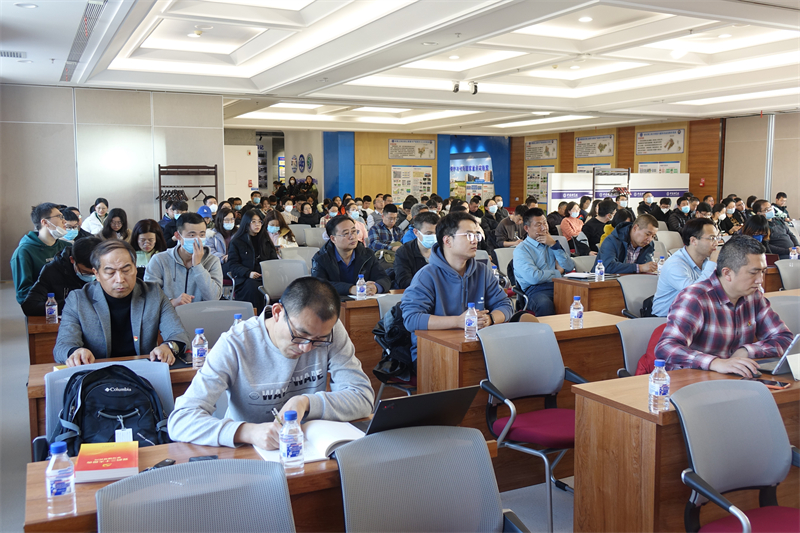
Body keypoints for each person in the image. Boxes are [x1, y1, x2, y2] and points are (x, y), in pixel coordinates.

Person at [167, 276, 373, 448]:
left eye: (318, 340)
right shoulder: (235, 343)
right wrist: (247, 432)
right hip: (250, 453)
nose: (307, 348)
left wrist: (305, 402)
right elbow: (181, 420)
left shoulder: (329, 332)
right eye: (300, 335)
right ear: (277, 312)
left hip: (307, 447)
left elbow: (363, 397)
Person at [655, 235, 793, 376]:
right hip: (695, 379)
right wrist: (715, 363)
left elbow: (785, 339)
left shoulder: (754, 296)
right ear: (727, 273)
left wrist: (747, 351)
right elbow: (666, 348)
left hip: (736, 377)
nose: (760, 280)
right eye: (753, 273)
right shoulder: (695, 298)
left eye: (763, 271)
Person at [53, 240, 190, 367]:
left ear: (135, 268)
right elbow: (62, 346)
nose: (120, 279)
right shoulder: (78, 300)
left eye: (126, 270)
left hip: (143, 372)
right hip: (98, 374)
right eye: (110, 272)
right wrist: (75, 352)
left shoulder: (153, 294)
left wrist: (168, 347)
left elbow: (178, 334)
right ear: (97, 274)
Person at [401, 212, 513, 360]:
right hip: (434, 352)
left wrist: (490, 319)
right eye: (468, 235)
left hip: (477, 346)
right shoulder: (427, 275)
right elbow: (411, 319)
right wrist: (458, 321)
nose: (475, 241)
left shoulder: (482, 271)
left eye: (476, 235)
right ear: (448, 241)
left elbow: (506, 305)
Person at [144, 212, 222, 307]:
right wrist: (172, 302)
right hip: (169, 314)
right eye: (192, 235)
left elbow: (214, 298)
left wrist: (198, 266)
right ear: (178, 236)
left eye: (202, 235)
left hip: (201, 314)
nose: (197, 240)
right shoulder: (159, 260)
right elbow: (150, 296)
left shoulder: (212, 261)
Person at [513, 208, 575, 316]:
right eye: (538, 225)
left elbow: (569, 267)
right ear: (527, 228)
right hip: (535, 290)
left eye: (545, 223)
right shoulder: (522, 250)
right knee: (545, 304)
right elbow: (534, 278)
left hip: (559, 285)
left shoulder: (551, 243)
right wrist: (558, 272)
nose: (544, 228)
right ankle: (547, 328)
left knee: (581, 299)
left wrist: (554, 245)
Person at [652, 219, 719, 317]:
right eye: (712, 238)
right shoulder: (675, 264)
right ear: (693, 241)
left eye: (717, 238)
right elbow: (694, 293)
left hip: (693, 315)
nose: (716, 243)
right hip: (666, 319)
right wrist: (712, 263)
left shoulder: (706, 261)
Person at [22, 236, 102, 316]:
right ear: (72, 260)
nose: (93, 276)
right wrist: (73, 304)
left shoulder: (107, 271)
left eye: (97, 272)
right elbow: (30, 306)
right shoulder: (52, 270)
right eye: (86, 272)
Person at [311, 215, 390, 296]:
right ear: (333, 239)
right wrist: (350, 289)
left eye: (354, 231)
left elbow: (384, 278)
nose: (352, 237)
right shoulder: (320, 258)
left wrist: (375, 287)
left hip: (363, 301)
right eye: (346, 233)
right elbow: (318, 286)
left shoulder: (367, 254)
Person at [11, 202, 71, 304]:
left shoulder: (67, 247)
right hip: (46, 306)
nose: (64, 221)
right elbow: (24, 293)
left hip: (70, 304)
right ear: (45, 222)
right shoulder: (24, 252)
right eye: (60, 217)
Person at [227, 209, 279, 314]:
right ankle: (258, 316)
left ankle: (275, 315)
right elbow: (233, 264)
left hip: (266, 277)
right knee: (253, 288)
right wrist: (248, 273)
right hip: (246, 279)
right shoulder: (237, 242)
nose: (257, 224)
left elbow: (274, 260)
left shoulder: (265, 240)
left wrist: (269, 271)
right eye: (253, 221)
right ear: (246, 223)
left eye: (260, 221)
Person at [594, 214, 658, 274]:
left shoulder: (648, 245)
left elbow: (647, 267)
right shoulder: (612, 241)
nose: (650, 239)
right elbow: (608, 267)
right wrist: (640, 268)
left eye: (653, 236)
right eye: (647, 234)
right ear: (635, 228)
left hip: (632, 281)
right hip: (604, 280)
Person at [394, 211, 439, 290]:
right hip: (417, 293)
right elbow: (404, 281)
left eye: (436, 233)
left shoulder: (444, 250)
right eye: (429, 233)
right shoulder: (404, 252)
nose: (434, 237)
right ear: (416, 232)